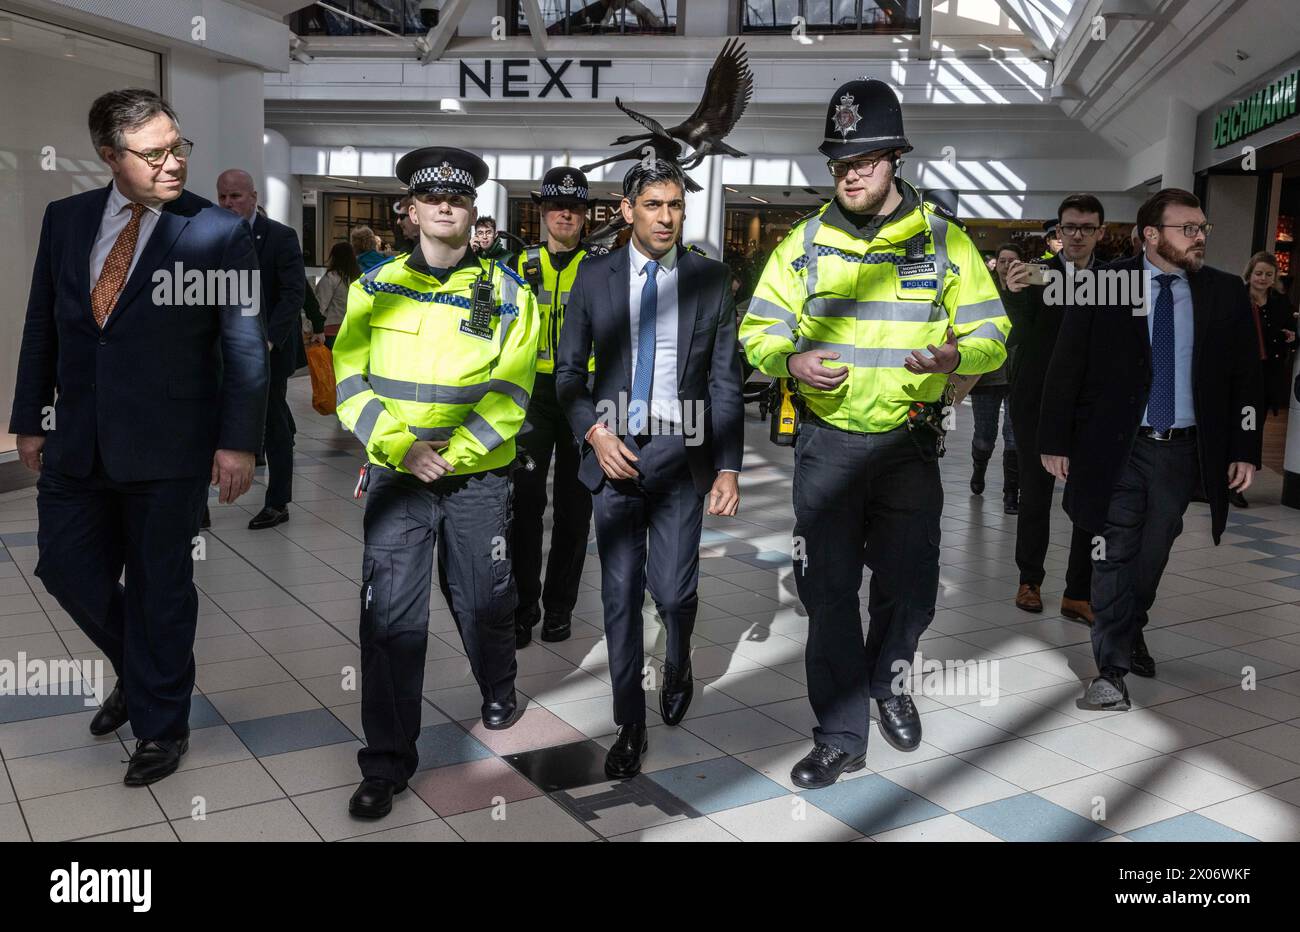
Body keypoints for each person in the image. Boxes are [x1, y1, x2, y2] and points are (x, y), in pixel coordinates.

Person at [740, 80, 1009, 789]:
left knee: (911, 586)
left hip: (910, 445)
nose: (850, 173)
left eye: (863, 159)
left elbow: (994, 331)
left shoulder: (945, 241)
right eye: (839, 162)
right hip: (825, 446)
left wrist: (959, 357)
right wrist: (787, 359)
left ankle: (889, 681)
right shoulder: (803, 243)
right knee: (826, 592)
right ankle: (839, 734)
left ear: (894, 157)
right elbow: (758, 329)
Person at [9, 88, 268, 785]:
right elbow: (43, 324)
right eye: (153, 153)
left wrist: (239, 442)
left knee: (161, 588)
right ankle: (143, 669)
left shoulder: (217, 232)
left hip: (170, 445)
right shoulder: (66, 221)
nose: (173, 162)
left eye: (178, 147)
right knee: (65, 567)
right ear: (109, 156)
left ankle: (161, 725)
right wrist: (30, 416)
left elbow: (244, 346)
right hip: (78, 440)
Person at [333, 147, 539, 818]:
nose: (445, 205)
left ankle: (497, 681)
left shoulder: (509, 292)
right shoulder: (375, 287)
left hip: (475, 478)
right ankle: (387, 761)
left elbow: (513, 388)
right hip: (398, 476)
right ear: (411, 210)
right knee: (389, 618)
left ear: (473, 211)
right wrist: (400, 446)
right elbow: (349, 381)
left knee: (484, 600)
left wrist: (456, 449)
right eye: (432, 197)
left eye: (458, 197)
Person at [1039, 188, 1262, 710]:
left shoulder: (1224, 293)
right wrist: (1053, 440)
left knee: (1153, 551)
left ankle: (1130, 625)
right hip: (1119, 447)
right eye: (1189, 228)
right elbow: (1066, 365)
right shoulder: (1104, 284)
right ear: (1152, 234)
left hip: (1182, 450)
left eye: (1203, 227)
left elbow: (1245, 379)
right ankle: (1110, 670)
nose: (1201, 236)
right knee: (1115, 551)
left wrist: (1245, 447)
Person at [556, 159, 743, 779]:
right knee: (618, 595)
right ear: (627, 209)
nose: (667, 217)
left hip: (679, 453)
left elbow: (723, 380)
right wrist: (593, 431)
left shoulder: (711, 280)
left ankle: (680, 659)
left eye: (676, 206)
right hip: (613, 452)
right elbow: (568, 375)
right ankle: (629, 725)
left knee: (674, 591)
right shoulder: (593, 277)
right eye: (655, 205)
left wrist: (727, 467)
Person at [511, 168, 605, 647]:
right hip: (531, 397)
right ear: (542, 212)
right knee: (523, 504)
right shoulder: (516, 265)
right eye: (555, 206)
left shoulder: (601, 266)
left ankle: (559, 608)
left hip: (583, 396)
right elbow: (487, 327)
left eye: (574, 207)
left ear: (584, 215)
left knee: (575, 508)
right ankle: (523, 606)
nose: (564, 214)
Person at [1002, 194, 1105, 624]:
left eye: (1086, 227)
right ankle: (1030, 580)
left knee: (1089, 497)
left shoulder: (1115, 283)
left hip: (1092, 406)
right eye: (1069, 227)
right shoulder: (1037, 277)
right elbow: (1019, 331)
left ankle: (1078, 592)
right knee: (1035, 493)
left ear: (1100, 232)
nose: (1077, 234)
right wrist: (1013, 292)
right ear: (1057, 233)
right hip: (1037, 402)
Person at [216, 168, 307, 531]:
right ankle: (198, 505)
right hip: (220, 351)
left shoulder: (280, 237)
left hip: (266, 351)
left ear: (253, 197)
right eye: (222, 196)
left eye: (235, 196)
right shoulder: (211, 234)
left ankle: (277, 501)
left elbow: (293, 293)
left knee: (273, 423)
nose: (227, 203)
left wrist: (268, 340)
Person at [969, 241, 1021, 514]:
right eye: (1003, 261)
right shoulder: (984, 292)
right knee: (984, 435)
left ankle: (1011, 494)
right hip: (987, 375)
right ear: (995, 264)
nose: (1007, 266)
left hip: (1018, 374)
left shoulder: (1029, 293)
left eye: (1013, 261)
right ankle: (979, 470)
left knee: (1013, 437)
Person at [314, 241, 361, 349]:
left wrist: (309, 327)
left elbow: (320, 304)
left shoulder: (331, 278)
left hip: (330, 331)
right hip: (353, 329)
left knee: (329, 364)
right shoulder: (358, 278)